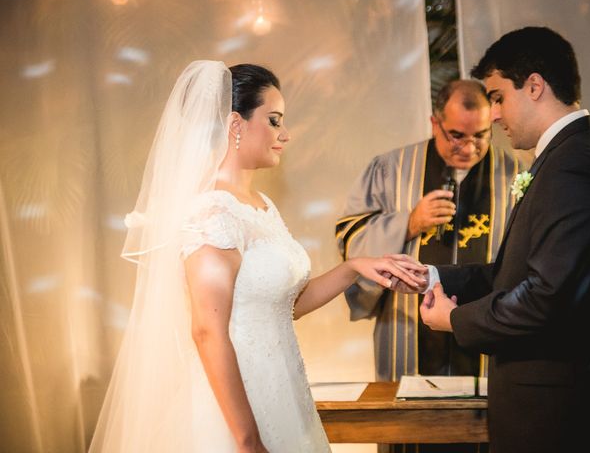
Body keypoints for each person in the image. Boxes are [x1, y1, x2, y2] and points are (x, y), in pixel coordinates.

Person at [88, 61, 426, 453]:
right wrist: (247, 441)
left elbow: (284, 306)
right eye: (274, 120)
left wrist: (354, 268)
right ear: (236, 124)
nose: (285, 134)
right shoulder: (212, 213)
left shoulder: (260, 205)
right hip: (234, 407)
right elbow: (207, 331)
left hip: (283, 395)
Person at [419, 26, 590, 453]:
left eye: (499, 97)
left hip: (566, 419)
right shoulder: (571, 155)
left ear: (535, 86)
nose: (495, 114)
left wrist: (455, 320)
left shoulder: (575, 167)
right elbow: (513, 273)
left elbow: (548, 298)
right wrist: (431, 274)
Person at [336, 79, 523, 453]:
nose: (468, 148)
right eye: (456, 135)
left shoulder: (518, 175)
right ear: (434, 122)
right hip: (408, 333)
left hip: (485, 339)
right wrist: (407, 223)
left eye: (480, 136)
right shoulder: (390, 168)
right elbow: (351, 241)